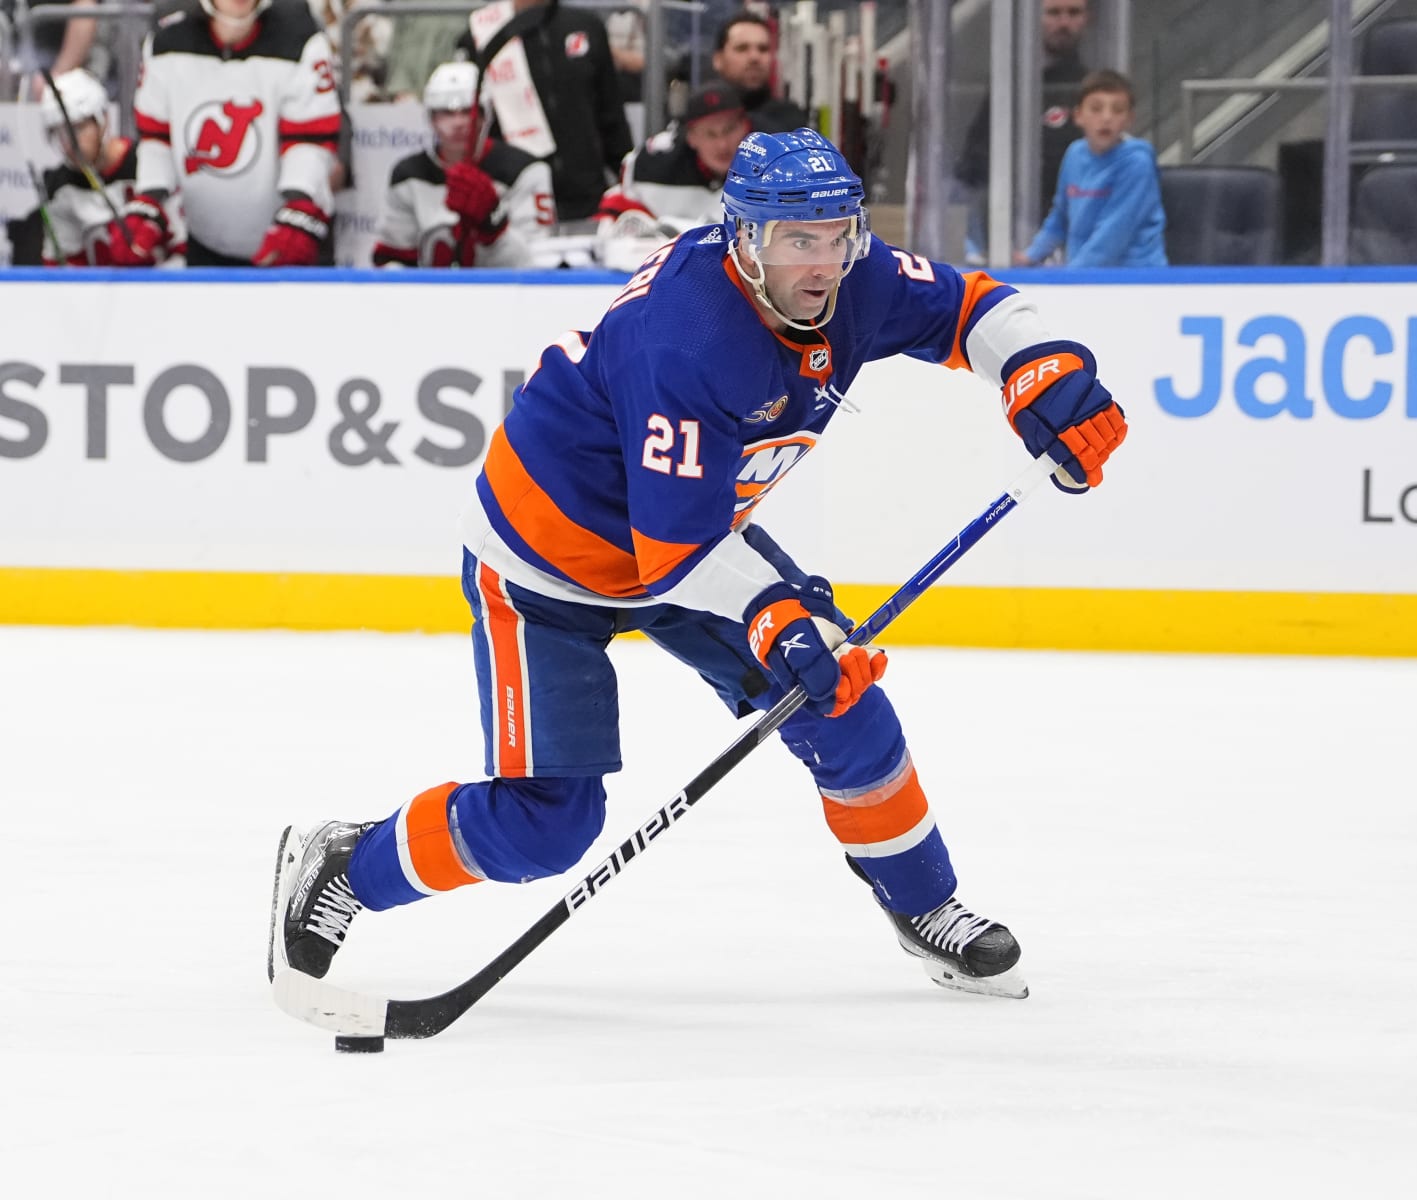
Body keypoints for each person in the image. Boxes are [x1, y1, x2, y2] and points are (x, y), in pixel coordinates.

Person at [269, 128, 1127, 1002]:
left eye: (839, 235)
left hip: (686, 541)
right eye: (799, 241)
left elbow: (971, 305)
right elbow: (674, 557)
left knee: (839, 699)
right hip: (546, 564)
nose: (824, 263)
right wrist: (779, 613)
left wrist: (1039, 369)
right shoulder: (685, 339)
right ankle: (346, 864)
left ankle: (927, 906)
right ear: (743, 239)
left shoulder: (850, 276)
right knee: (547, 828)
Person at [128, 0, 341, 267]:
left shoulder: (301, 38)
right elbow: (156, 137)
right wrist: (150, 199)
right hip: (203, 239)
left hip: (290, 237)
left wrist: (300, 204)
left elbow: (309, 141)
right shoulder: (166, 41)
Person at [457, 0, 634, 225]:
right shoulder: (480, 34)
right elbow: (472, 126)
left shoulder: (587, 27)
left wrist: (627, 181)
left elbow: (611, 116)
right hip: (512, 197)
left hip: (585, 195)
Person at [371, 62, 554, 267]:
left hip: (504, 294)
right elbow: (392, 261)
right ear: (431, 118)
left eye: (468, 111)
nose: (458, 122)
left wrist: (493, 224)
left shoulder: (525, 172)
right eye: (447, 112)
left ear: (487, 116)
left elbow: (538, 265)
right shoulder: (408, 175)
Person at [954, 0, 1089, 264]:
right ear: (1036, 18)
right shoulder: (1009, 86)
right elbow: (973, 164)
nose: (1064, 23)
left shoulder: (1089, 88)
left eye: (1073, 13)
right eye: (1054, 13)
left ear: (1087, 18)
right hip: (1004, 228)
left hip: (1067, 231)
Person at [35, 68, 188, 266]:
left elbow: (183, 249)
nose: (69, 143)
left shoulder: (149, 165)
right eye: (59, 132)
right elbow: (65, 269)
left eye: (78, 128)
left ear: (103, 119)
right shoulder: (60, 189)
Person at [1017, 70, 1166, 269]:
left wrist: (1071, 278)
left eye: (1117, 110)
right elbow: (1061, 215)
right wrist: (1030, 256)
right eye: (1096, 109)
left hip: (1138, 277)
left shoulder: (1137, 163)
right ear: (1078, 116)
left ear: (1130, 118)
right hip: (1086, 274)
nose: (1106, 118)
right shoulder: (1074, 154)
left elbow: (1113, 233)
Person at [594, 78, 749, 264]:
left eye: (729, 130)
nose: (722, 144)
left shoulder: (773, 164)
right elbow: (615, 215)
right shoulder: (652, 167)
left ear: (745, 127)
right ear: (691, 137)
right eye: (710, 134)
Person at [711, 10, 805, 133]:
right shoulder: (700, 118)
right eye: (742, 48)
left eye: (763, 49)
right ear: (718, 60)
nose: (755, 57)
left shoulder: (793, 124)